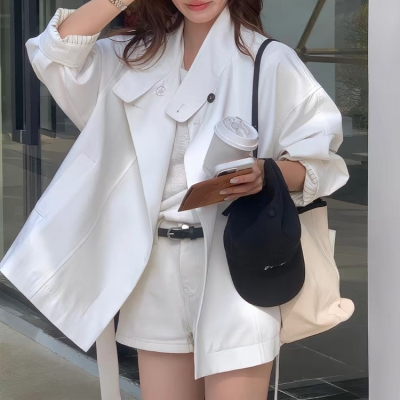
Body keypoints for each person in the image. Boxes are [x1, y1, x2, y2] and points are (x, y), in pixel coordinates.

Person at [2, 0, 349, 399]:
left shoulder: (269, 61)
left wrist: (265, 172)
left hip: (235, 267)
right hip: (156, 269)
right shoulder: (134, 56)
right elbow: (55, 53)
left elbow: (320, 163)